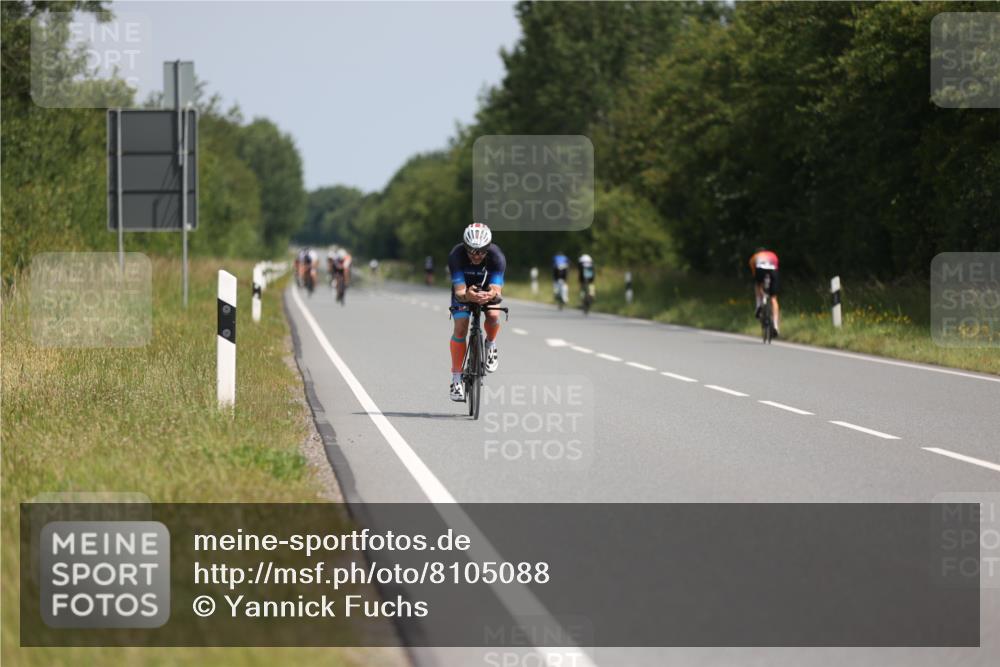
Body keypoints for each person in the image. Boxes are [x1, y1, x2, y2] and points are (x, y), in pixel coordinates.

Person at [448, 223, 505, 401]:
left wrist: (491, 295)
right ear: (465, 247)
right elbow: (459, 292)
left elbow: (497, 292)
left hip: (487, 288)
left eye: (481, 251)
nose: (476, 256)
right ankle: (456, 378)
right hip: (465, 289)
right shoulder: (456, 255)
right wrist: (468, 295)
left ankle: (490, 343)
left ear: (488, 248)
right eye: (471, 251)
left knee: (494, 315)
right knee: (461, 327)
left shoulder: (497, 257)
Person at [749, 247, 780, 335]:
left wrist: (761, 288)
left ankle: (759, 304)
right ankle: (775, 325)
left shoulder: (754, 257)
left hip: (760, 269)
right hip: (773, 270)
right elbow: (776, 267)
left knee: (757, 285)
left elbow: (755, 274)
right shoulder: (773, 255)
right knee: (774, 298)